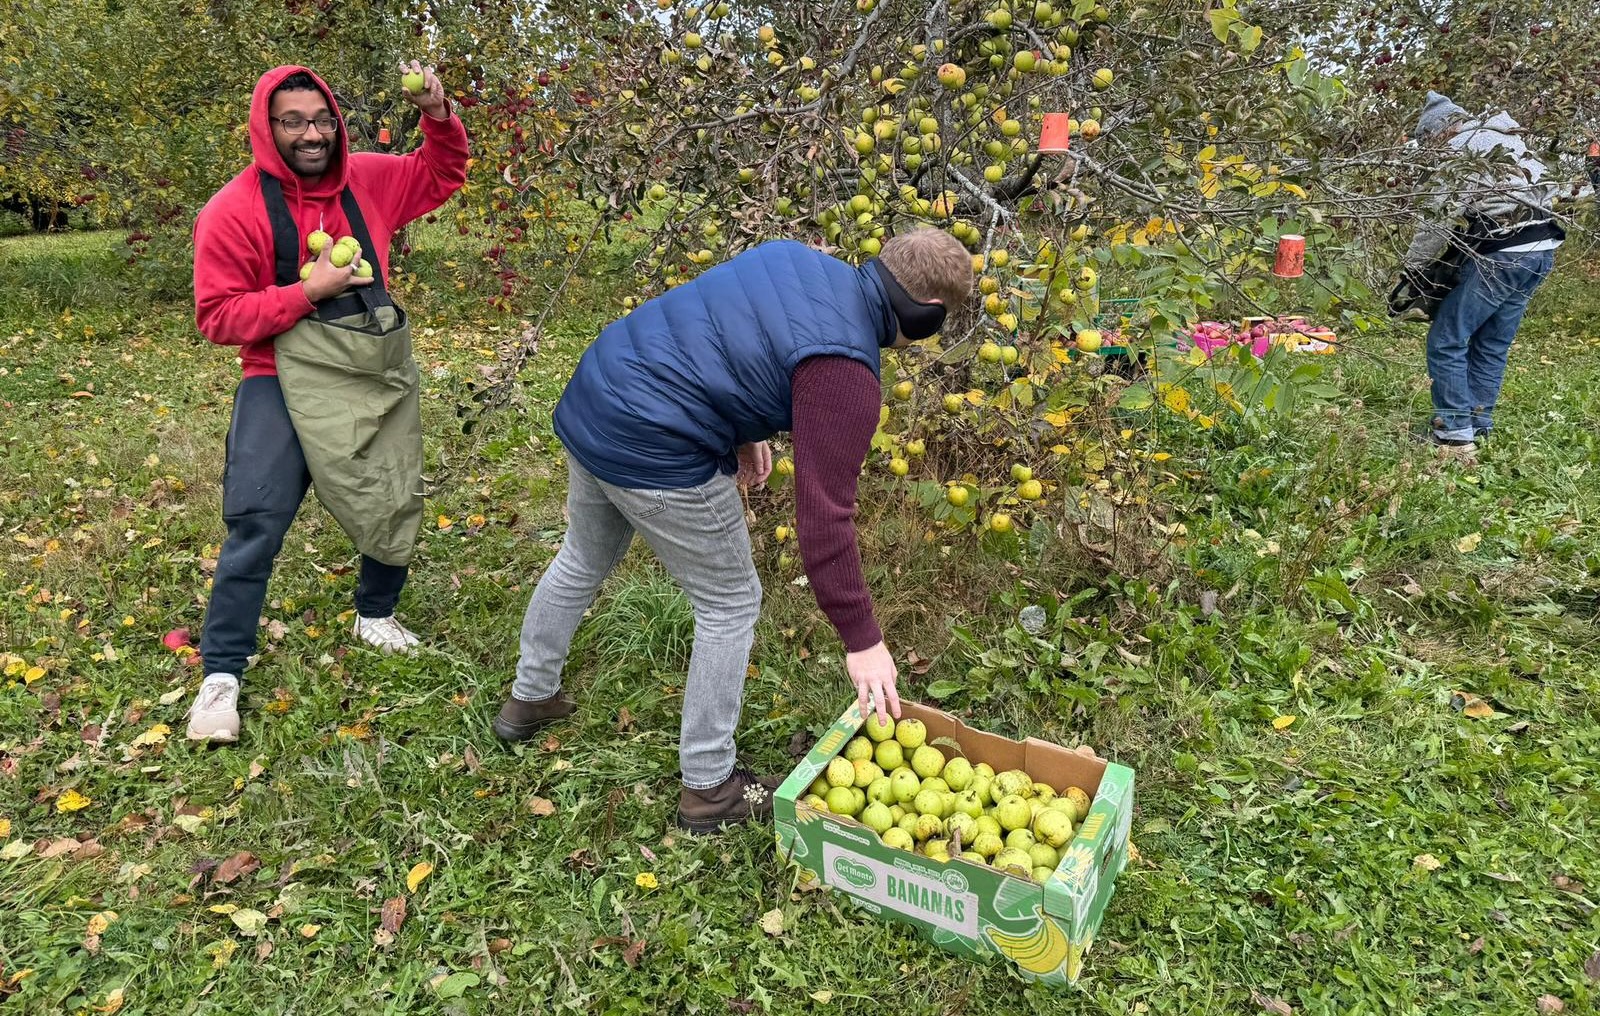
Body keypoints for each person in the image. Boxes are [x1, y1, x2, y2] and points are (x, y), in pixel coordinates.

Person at [492, 230, 974, 833]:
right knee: (730, 601)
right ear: (926, 319)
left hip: (599, 392)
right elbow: (825, 516)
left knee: (583, 556)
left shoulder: (792, 257)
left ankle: (529, 697)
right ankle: (709, 786)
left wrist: (746, 430)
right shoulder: (846, 372)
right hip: (654, 443)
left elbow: (717, 336)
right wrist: (863, 640)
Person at [187, 63, 469, 742]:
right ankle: (221, 674)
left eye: (321, 119)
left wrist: (438, 111)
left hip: (368, 367)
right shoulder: (233, 210)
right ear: (267, 128)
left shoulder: (368, 179)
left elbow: (441, 172)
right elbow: (218, 316)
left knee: (390, 490)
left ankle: (376, 615)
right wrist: (306, 292)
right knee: (258, 513)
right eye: (293, 122)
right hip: (277, 375)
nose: (311, 134)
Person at [1404, 92, 1564, 460]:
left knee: (1447, 338)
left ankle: (1455, 436)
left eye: (1429, 143)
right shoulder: (1510, 138)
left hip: (1501, 256)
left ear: (1440, 132)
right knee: (1491, 343)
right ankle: (1477, 424)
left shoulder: (1461, 149)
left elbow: (1438, 217)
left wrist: (1413, 267)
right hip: (1541, 250)